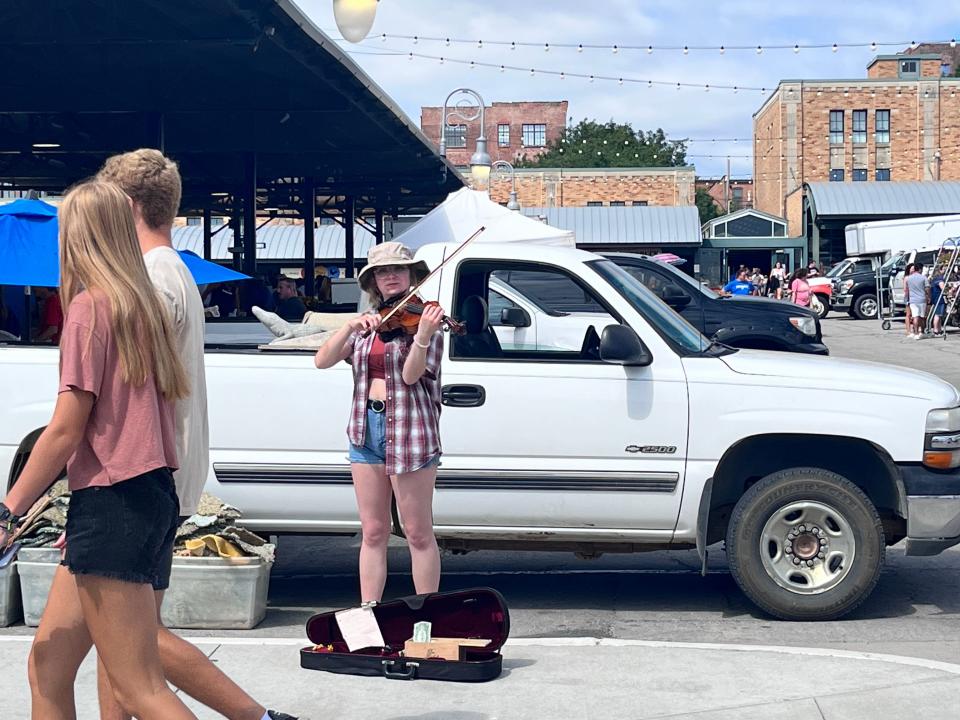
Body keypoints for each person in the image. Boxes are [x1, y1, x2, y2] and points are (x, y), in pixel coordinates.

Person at [96, 150, 297, 720]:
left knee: (124, 645)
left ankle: (257, 717)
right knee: (126, 645)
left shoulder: (151, 278)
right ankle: (259, 718)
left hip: (135, 479)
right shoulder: (174, 269)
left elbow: (134, 392)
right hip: (162, 474)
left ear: (128, 207)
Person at [0, 181, 194, 718]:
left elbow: (65, 429)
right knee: (49, 664)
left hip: (114, 500)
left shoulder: (89, 309)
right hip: (145, 493)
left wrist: (8, 507)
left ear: (79, 235)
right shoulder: (141, 306)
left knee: (138, 687)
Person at [314, 241, 444, 603]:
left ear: (411, 276)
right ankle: (369, 613)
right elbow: (322, 361)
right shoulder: (368, 325)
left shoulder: (427, 320)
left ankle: (426, 619)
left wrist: (420, 338)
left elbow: (410, 376)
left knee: (418, 532)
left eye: (398, 270)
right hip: (365, 429)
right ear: (373, 281)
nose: (391, 276)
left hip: (411, 432)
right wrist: (350, 326)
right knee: (373, 531)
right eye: (383, 271)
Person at [904, 262, 930, 339]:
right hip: (922, 299)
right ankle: (921, 332)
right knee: (922, 317)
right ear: (920, 269)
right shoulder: (923, 278)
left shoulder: (909, 279)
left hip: (912, 300)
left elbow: (906, 290)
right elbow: (927, 288)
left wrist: (906, 299)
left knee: (915, 316)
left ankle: (915, 333)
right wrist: (928, 297)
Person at [930, 264, 947, 337]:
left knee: (939, 315)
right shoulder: (940, 279)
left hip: (935, 298)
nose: (945, 270)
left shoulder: (934, 278)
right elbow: (943, 288)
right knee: (938, 315)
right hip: (939, 298)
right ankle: (936, 330)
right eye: (944, 269)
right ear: (940, 270)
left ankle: (939, 330)